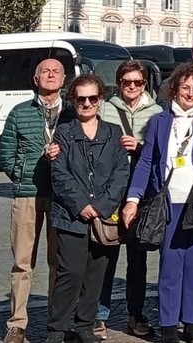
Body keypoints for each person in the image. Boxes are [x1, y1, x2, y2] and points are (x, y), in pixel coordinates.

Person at [122, 63, 193, 343]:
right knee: (170, 265)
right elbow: (147, 161)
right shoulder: (160, 121)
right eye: (185, 88)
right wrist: (133, 199)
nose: (191, 93)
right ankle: (168, 323)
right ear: (174, 90)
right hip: (169, 201)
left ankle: (192, 322)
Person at [45, 74, 129, 343]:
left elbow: (121, 173)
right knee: (71, 272)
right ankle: (57, 328)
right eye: (81, 99)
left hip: (104, 217)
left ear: (100, 99)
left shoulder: (113, 132)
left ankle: (85, 325)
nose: (86, 103)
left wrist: (102, 205)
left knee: (96, 274)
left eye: (92, 98)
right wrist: (81, 204)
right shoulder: (64, 132)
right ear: (74, 100)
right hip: (72, 215)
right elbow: (59, 174)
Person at [0, 58, 69, 343]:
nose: (50, 75)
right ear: (36, 79)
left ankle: (57, 323)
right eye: (45, 72)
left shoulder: (73, 112)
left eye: (56, 72)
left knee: (59, 262)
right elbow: (6, 152)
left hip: (62, 196)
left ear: (63, 80)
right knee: (22, 263)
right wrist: (20, 173)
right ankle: (17, 324)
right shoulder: (19, 112)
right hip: (27, 194)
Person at [95, 61, 162, 339]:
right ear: (119, 83)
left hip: (142, 192)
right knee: (105, 255)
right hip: (111, 190)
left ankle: (136, 314)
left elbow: (161, 152)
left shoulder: (157, 112)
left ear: (144, 84)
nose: (132, 87)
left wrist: (141, 146)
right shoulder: (105, 108)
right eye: (126, 82)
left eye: (137, 82)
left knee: (138, 259)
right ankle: (99, 315)